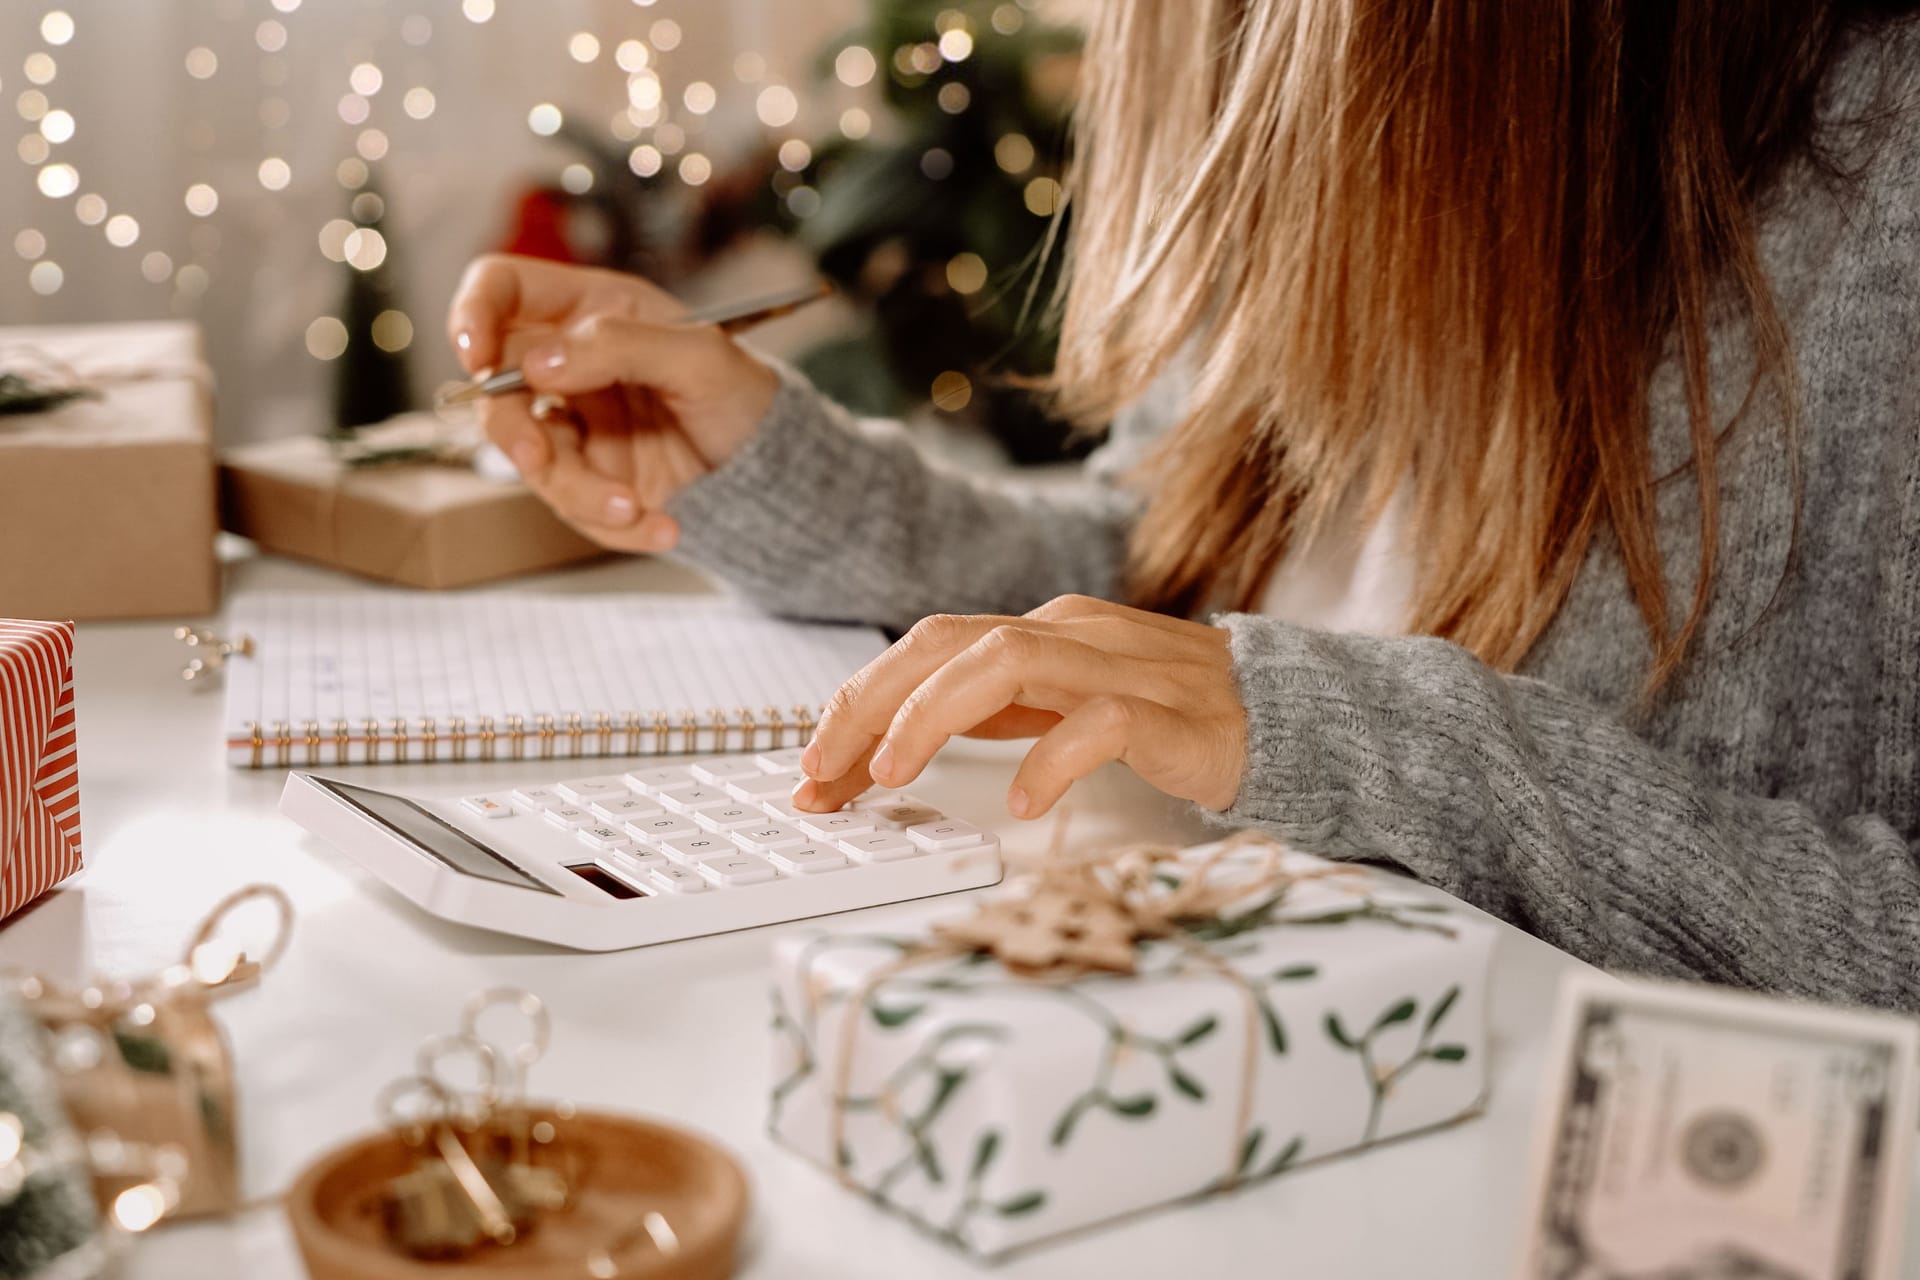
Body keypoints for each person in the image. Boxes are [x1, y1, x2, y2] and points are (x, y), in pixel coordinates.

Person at [448, 2, 1920, 1008]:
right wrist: (757, 457)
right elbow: (1159, 577)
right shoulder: (1273, 66)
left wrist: (1352, 737)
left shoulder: (1878, 184)